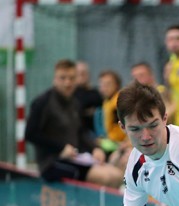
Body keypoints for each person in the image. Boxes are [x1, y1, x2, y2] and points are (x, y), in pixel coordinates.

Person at [24, 59, 123, 188]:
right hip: (52, 162)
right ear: (55, 79)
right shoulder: (42, 102)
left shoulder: (75, 103)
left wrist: (94, 148)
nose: (67, 83)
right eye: (63, 78)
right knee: (106, 177)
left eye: (71, 78)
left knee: (117, 175)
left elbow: (80, 131)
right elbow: (30, 134)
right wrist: (60, 148)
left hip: (76, 158)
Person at [73, 60, 103, 136]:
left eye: (83, 73)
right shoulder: (71, 94)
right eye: (78, 73)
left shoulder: (97, 93)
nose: (81, 76)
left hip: (97, 133)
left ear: (88, 74)